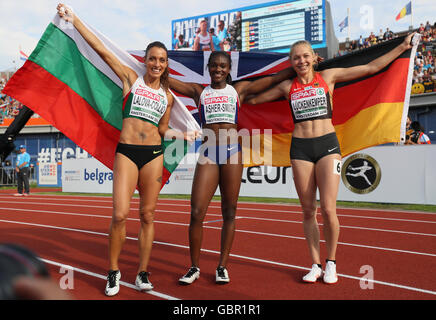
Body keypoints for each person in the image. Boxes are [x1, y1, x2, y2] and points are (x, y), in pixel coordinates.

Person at [247, 33, 415, 284]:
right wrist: (277, 77)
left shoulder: (329, 76)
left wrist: (402, 45)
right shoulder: (286, 87)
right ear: (291, 62)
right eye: (296, 58)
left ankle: (331, 263)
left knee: (327, 208)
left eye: (305, 56)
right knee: (307, 210)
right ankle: (314, 264)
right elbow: (251, 99)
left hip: (328, 146)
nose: (301, 61)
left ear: (314, 58)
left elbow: (372, 67)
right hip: (300, 149)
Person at [56, 4, 198, 296]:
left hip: (154, 155)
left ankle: (142, 273)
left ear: (166, 64)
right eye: (152, 59)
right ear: (145, 61)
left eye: (161, 60)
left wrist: (183, 133)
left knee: (148, 216)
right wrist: (77, 21)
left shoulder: (168, 97)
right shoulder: (130, 80)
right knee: (120, 214)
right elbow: (101, 51)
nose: (156, 64)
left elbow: (162, 130)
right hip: (127, 152)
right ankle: (113, 271)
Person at [169, 51, 294, 285]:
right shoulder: (199, 92)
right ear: (208, 68)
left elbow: (274, 79)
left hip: (232, 153)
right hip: (208, 154)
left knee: (229, 211)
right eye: (214, 65)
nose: (218, 69)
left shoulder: (238, 90)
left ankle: (222, 266)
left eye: (223, 66)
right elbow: (167, 80)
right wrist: (148, 67)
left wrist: (297, 67)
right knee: (197, 212)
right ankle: (194, 267)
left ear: (229, 70)